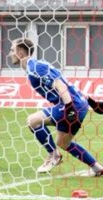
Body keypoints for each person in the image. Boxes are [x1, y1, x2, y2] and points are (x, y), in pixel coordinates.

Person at [9, 38, 103, 177]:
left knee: (33, 121)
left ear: (21, 53)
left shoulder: (34, 67)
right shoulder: (37, 65)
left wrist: (70, 108)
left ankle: (53, 156)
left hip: (71, 105)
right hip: (78, 104)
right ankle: (97, 168)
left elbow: (60, 85)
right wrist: (92, 103)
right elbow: (68, 84)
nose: (10, 53)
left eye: (12, 50)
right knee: (63, 143)